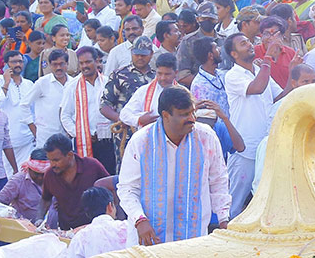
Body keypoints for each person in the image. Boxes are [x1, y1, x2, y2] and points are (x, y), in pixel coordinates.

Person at [117, 86, 231, 245]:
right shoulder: (141, 141)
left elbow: (218, 180)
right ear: (166, 116)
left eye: (192, 112)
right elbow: (127, 188)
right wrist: (139, 219)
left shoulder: (206, 137)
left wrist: (224, 219)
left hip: (194, 237)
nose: (192, 118)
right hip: (148, 236)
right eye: (184, 114)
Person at [224, 32, 282, 215]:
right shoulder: (232, 75)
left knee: (264, 198)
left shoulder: (258, 70)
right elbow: (257, 88)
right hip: (245, 148)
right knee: (235, 202)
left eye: (249, 41)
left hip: (265, 146)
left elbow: (279, 96)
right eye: (243, 44)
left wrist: (293, 79)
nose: (249, 45)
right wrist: (267, 58)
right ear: (234, 54)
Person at [37, 133, 110, 231]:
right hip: (67, 233)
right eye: (50, 160)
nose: (52, 164)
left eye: (56, 160)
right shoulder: (50, 175)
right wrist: (39, 219)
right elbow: (45, 199)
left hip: (95, 231)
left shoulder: (92, 166)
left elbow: (111, 188)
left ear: (70, 155)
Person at [59, 46, 115, 175]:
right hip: (83, 141)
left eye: (88, 62)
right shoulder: (72, 86)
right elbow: (65, 115)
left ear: (97, 61)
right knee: (86, 177)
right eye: (81, 63)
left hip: (107, 141)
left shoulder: (108, 83)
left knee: (107, 175)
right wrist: (79, 133)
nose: (85, 66)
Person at [0, 151, 49, 225]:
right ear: (29, 169)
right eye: (36, 174)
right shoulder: (18, 180)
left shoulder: (55, 179)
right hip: (23, 227)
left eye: (43, 174)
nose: (40, 178)